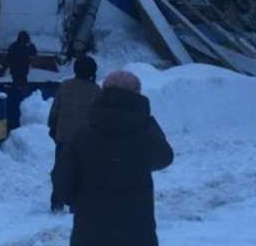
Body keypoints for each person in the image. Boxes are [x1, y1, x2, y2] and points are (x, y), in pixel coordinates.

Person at [53, 69, 173, 246]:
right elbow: (164, 157)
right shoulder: (144, 132)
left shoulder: (83, 135)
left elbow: (62, 183)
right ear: (137, 94)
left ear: (103, 92)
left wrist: (82, 203)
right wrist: (147, 120)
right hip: (137, 232)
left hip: (90, 232)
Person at [48, 55, 101, 213]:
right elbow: (99, 116)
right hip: (86, 139)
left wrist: (53, 128)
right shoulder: (96, 90)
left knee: (62, 170)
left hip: (63, 136)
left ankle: (57, 202)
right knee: (82, 171)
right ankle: (77, 203)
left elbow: (55, 111)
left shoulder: (65, 86)